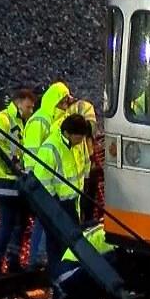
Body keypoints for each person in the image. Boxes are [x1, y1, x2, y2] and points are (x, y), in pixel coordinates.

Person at [0, 88, 37, 276]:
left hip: (18, 181)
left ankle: (13, 262)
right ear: (18, 102)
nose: (30, 111)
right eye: (28, 106)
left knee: (20, 223)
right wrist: (12, 161)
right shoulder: (2, 120)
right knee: (7, 223)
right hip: (4, 180)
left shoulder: (22, 121)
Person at [33, 113, 90, 278]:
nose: (81, 141)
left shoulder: (78, 144)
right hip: (57, 204)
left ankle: (65, 277)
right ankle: (57, 278)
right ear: (68, 133)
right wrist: (53, 203)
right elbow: (42, 179)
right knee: (56, 245)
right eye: (79, 137)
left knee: (69, 245)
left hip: (73, 201)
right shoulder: (50, 148)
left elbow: (84, 164)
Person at [24, 82, 73, 270]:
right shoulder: (41, 121)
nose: (65, 106)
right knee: (44, 219)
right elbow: (32, 152)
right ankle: (37, 257)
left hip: (50, 182)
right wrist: (34, 178)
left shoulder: (56, 120)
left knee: (45, 220)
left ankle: (39, 256)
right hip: (40, 181)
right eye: (63, 102)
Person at [54, 222, 116, 299]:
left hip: (65, 272)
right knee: (105, 273)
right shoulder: (110, 235)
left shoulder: (100, 229)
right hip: (71, 273)